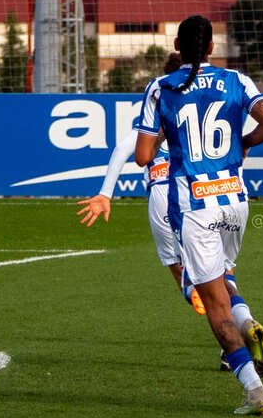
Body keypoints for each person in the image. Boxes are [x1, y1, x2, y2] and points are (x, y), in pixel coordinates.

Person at [134, 14, 263, 415]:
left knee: (212, 302)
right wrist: (243, 143)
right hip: (234, 201)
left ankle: (254, 390)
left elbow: (143, 157)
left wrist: (167, 133)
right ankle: (246, 318)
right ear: (212, 48)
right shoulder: (237, 80)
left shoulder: (160, 89)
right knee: (225, 277)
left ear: (177, 47)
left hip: (194, 204)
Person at [77, 53, 207, 316]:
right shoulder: (201, 111)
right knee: (216, 267)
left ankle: (188, 288)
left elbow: (124, 148)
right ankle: (236, 316)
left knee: (174, 262)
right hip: (199, 192)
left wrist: (105, 193)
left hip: (161, 191)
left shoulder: (158, 107)